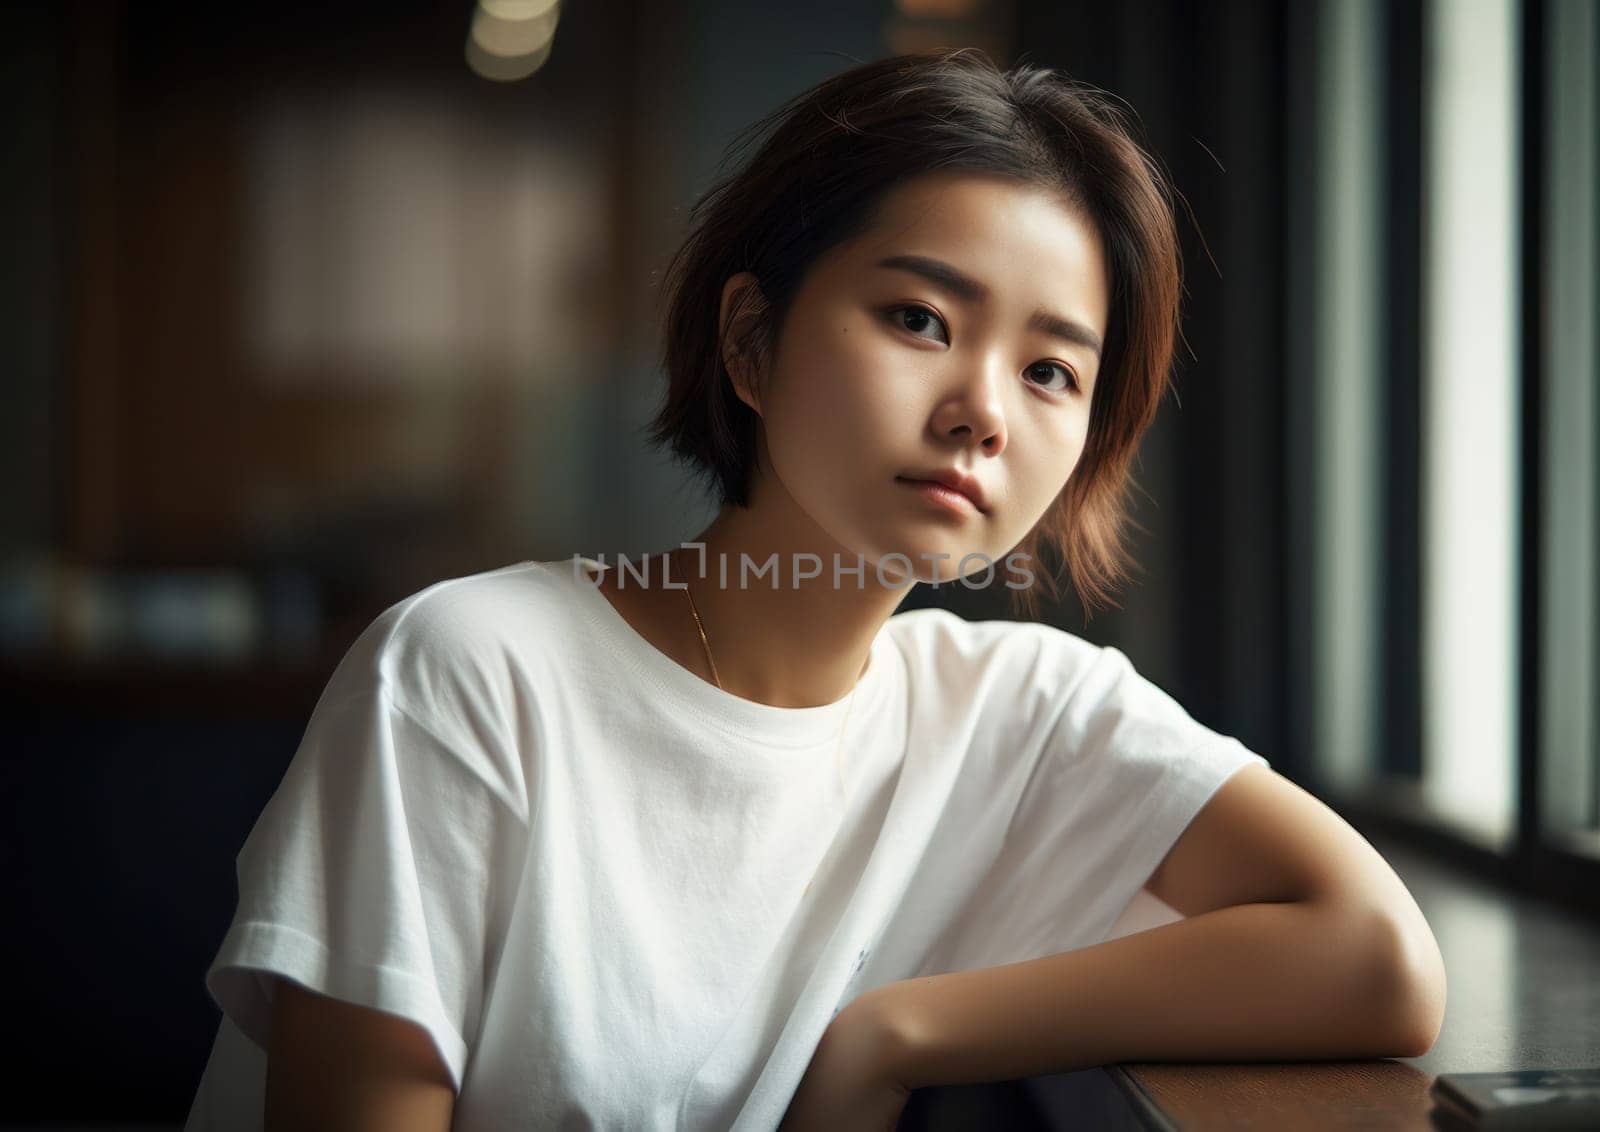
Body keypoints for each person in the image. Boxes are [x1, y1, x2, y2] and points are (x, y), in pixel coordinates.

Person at [186, 45, 1390, 1131]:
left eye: (1049, 369)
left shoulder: (1017, 712)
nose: (981, 408)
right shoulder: (469, 668)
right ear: (751, 342)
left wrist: (896, 1030)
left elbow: (1372, 953)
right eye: (919, 318)